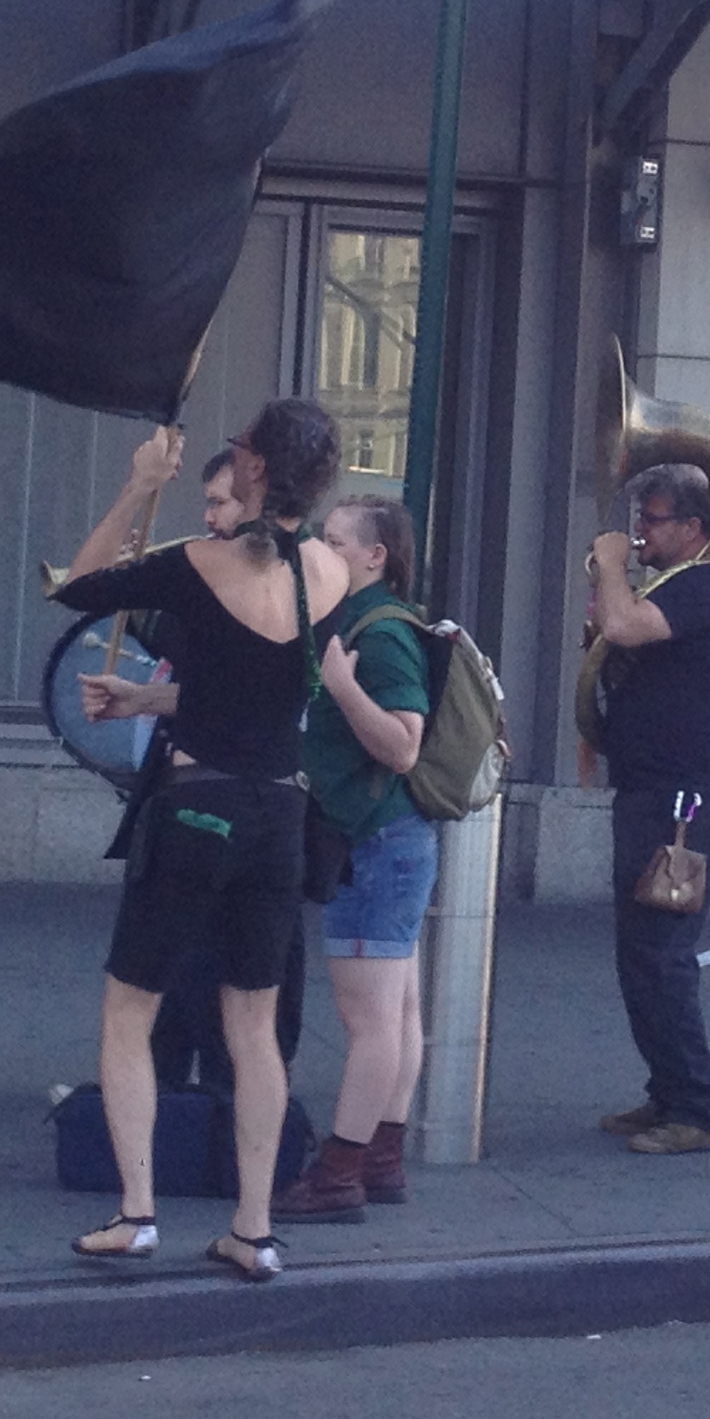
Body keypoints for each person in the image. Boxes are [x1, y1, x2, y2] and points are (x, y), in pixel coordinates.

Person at [55, 401, 350, 1281]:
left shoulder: (199, 562)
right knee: (254, 1027)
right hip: (279, 815)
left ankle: (137, 1213)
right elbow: (254, 691)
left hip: (194, 807)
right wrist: (149, 698)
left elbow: (78, 585)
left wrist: (140, 484)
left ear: (254, 468)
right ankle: (253, 1229)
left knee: (131, 1009)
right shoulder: (330, 572)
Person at [583, 460, 710, 1155]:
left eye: (651, 520)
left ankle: (698, 1107)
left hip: (683, 800)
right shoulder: (679, 586)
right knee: (642, 955)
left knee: (663, 955)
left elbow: (623, 626)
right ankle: (668, 1092)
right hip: (651, 790)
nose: (640, 533)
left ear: (693, 527)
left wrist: (609, 566)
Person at [272, 493, 434, 1224]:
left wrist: (341, 685)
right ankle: (380, 1158)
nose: (322, 550)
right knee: (395, 1013)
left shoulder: (382, 632)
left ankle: (340, 1173)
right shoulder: (361, 620)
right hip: (388, 839)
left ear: (376, 555)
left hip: (373, 840)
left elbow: (403, 746)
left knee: (370, 1020)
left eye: (337, 542)